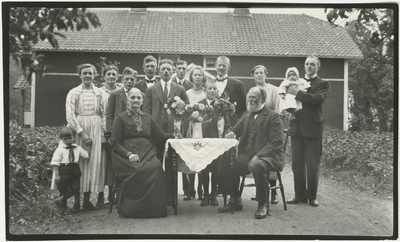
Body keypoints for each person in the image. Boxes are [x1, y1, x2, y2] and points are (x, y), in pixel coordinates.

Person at [110, 88, 175, 218]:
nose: (136, 100)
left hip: (147, 152)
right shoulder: (120, 118)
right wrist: (128, 154)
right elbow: (115, 143)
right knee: (138, 171)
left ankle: (154, 209)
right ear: (127, 100)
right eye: (132, 98)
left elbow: (161, 135)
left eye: (138, 98)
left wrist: (175, 135)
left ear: (142, 101)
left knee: (156, 168)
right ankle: (132, 209)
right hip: (126, 155)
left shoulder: (147, 117)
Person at [221, 86, 284, 219]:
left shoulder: (273, 117)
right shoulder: (247, 116)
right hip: (249, 155)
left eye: (254, 97)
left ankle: (263, 204)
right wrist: (230, 133)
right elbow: (233, 129)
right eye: (249, 96)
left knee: (259, 165)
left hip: (269, 156)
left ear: (263, 99)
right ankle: (235, 200)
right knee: (229, 161)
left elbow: (276, 143)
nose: (250, 99)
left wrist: (258, 156)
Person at [143, 59, 189, 205]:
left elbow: (186, 111)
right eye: (163, 69)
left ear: (173, 71)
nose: (166, 71)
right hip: (155, 133)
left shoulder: (179, 89)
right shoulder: (151, 90)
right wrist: (149, 131)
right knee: (155, 164)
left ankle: (171, 196)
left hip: (172, 132)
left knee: (172, 165)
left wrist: (180, 129)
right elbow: (146, 112)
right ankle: (156, 195)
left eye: (169, 69)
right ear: (159, 71)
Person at [286, 55, 331, 207]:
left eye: (312, 64)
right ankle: (299, 195)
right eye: (307, 64)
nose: (309, 66)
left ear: (318, 67)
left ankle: (312, 197)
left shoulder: (323, 84)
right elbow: (287, 100)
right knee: (297, 164)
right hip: (297, 127)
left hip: (313, 128)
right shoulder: (296, 82)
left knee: (312, 164)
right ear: (304, 66)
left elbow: (316, 100)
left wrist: (297, 93)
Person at [65, 63, 106, 212]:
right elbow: (70, 115)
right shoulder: (73, 92)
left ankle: (87, 201)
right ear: (80, 75)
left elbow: (105, 113)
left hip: (96, 129)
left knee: (92, 164)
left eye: (90, 73)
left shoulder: (100, 93)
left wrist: (102, 133)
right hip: (78, 130)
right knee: (78, 165)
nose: (88, 76)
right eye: (85, 73)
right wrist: (81, 132)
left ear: (95, 75)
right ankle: (76, 203)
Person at [105, 67, 137, 204]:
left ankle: (128, 194)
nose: (129, 82)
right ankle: (114, 194)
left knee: (130, 163)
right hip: (118, 135)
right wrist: (110, 133)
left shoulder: (137, 95)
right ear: (122, 79)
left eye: (132, 79)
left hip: (131, 134)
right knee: (116, 164)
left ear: (135, 81)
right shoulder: (115, 94)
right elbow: (109, 115)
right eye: (127, 79)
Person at [250, 64, 281, 204]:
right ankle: (260, 191)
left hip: (270, 125)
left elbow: (277, 108)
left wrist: (272, 119)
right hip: (257, 128)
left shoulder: (273, 90)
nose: (259, 75)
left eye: (261, 72)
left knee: (266, 156)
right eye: (256, 73)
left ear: (265, 74)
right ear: (253, 76)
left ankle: (273, 192)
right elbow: (250, 111)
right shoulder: (252, 90)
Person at [197, 79, 229, 207]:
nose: (212, 91)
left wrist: (228, 131)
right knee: (204, 168)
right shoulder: (199, 105)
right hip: (203, 140)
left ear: (217, 91)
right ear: (205, 90)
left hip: (217, 141)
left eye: (214, 89)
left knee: (216, 168)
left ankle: (213, 194)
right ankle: (205, 195)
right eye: (209, 88)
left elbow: (227, 123)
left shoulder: (222, 105)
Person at [171, 60, 197, 201]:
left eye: (183, 68)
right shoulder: (171, 83)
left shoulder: (189, 85)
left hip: (187, 125)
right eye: (179, 68)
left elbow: (188, 107)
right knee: (177, 157)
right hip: (173, 124)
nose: (181, 70)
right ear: (175, 69)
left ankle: (191, 189)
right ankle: (183, 189)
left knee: (189, 155)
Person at [182, 65, 208, 201]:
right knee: (190, 158)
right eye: (195, 75)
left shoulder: (206, 93)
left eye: (199, 75)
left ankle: (201, 190)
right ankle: (190, 189)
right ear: (191, 77)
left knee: (202, 157)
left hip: (203, 128)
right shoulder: (186, 93)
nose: (197, 77)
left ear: (203, 77)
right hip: (190, 128)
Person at [51, 127, 89, 215]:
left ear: (74, 137)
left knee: (76, 188)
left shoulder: (77, 148)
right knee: (63, 189)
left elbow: (86, 156)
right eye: (65, 139)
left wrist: (88, 149)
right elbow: (55, 162)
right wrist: (56, 175)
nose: (68, 140)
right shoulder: (59, 150)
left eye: (70, 138)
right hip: (64, 170)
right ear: (61, 139)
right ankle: (64, 208)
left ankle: (61, 199)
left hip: (75, 170)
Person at [99, 65, 122, 207]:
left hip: (115, 132)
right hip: (100, 130)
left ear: (117, 76)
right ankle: (101, 194)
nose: (111, 77)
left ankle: (113, 195)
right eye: (109, 74)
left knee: (114, 163)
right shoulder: (99, 92)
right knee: (103, 163)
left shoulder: (121, 91)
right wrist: (104, 129)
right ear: (104, 76)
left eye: (114, 74)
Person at [214, 56, 247, 121]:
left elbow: (243, 106)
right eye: (219, 65)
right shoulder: (209, 83)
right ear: (215, 66)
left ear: (229, 67)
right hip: (212, 123)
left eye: (224, 65)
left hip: (231, 123)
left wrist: (235, 118)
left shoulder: (238, 84)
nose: (221, 68)